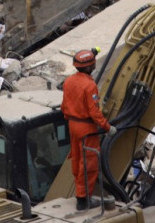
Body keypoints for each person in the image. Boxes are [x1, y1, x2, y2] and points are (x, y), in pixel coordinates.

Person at [61, 49, 117, 210]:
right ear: (90, 66)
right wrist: (107, 127)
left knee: (77, 159)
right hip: (86, 128)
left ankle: (80, 195)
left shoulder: (69, 81)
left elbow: (64, 106)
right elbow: (94, 112)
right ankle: (83, 200)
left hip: (73, 125)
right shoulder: (89, 85)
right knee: (89, 163)